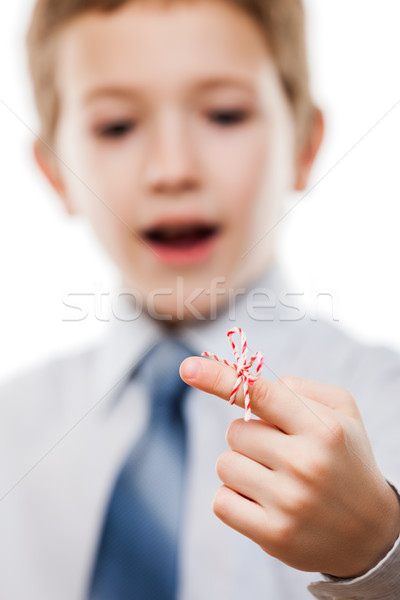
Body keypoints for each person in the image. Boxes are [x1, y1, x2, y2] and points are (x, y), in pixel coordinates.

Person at [1, 0, 399, 598]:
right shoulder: (14, 431)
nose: (173, 169)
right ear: (56, 173)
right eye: (116, 126)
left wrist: (380, 554)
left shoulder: (384, 402)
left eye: (224, 114)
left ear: (305, 144)